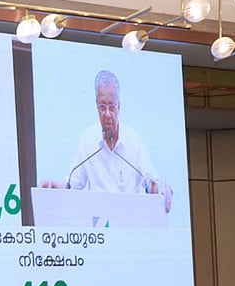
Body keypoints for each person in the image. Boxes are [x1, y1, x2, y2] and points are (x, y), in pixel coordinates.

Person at [39, 70, 172, 213]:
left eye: (112, 107)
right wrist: (52, 185)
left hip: (129, 219)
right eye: (102, 107)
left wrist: (163, 189)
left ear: (119, 106)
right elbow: (71, 186)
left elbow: (151, 184)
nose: (107, 114)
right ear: (96, 106)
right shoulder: (88, 140)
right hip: (98, 222)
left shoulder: (134, 141)